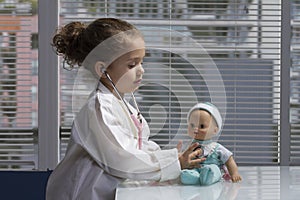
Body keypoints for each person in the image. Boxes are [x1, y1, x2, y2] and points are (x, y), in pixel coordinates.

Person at [46, 18, 205, 200]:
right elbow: (123, 156)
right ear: (103, 69)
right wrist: (173, 163)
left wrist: (169, 157)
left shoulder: (122, 104)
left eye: (142, 62)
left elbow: (138, 146)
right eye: (132, 64)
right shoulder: (98, 109)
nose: (141, 70)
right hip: (82, 193)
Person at [180, 102, 242, 185]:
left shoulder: (216, 147)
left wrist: (234, 173)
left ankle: (208, 176)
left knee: (212, 169)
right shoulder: (188, 146)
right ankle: (193, 178)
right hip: (194, 169)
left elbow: (229, 160)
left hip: (212, 169)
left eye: (201, 126)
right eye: (192, 125)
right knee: (186, 174)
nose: (195, 129)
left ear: (215, 130)